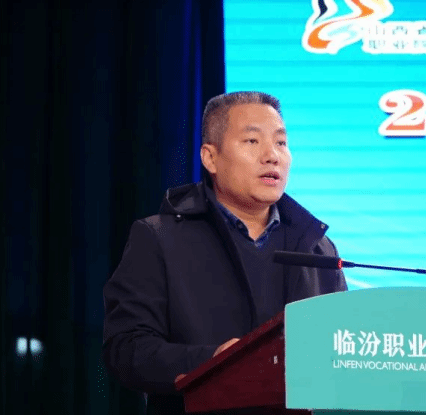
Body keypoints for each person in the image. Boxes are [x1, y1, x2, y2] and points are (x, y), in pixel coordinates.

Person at [102, 91, 347, 415]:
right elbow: (126, 349)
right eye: (252, 141)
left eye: (281, 143)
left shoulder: (318, 248)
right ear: (210, 158)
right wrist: (212, 361)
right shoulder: (159, 238)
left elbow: (342, 350)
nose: (272, 156)